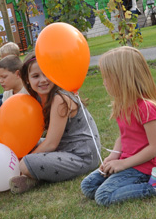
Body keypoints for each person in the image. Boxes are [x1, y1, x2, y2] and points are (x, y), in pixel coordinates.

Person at [80, 47, 156, 206]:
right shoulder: (122, 104)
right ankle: (127, 181)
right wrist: (114, 157)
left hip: (143, 168)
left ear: (122, 79)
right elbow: (123, 136)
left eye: (107, 77)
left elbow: (155, 148)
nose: (103, 82)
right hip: (126, 162)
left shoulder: (146, 108)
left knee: (103, 196)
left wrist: (123, 164)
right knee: (88, 186)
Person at [8, 52, 101, 194]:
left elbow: (51, 143)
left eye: (47, 74)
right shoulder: (38, 99)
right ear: (27, 79)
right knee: (21, 145)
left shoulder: (60, 99)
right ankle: (35, 175)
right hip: (63, 148)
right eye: (36, 76)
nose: (43, 80)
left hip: (82, 156)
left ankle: (32, 175)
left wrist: (26, 158)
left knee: (26, 163)